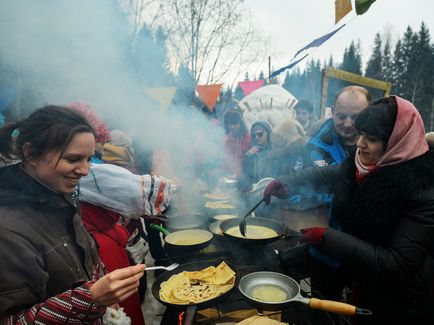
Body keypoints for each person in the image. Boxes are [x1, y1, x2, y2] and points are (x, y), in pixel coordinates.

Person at [264, 96, 434, 324]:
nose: (360, 143)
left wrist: (328, 238)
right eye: (360, 134)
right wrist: (288, 183)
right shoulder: (367, 166)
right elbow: (331, 175)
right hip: (368, 286)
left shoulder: (422, 190)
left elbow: (396, 265)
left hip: (403, 303)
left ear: (397, 142)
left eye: (371, 139)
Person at [0, 105, 145, 323]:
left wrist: (103, 289)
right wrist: (91, 298)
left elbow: (86, 255)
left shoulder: (61, 194)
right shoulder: (7, 230)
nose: (85, 170)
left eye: (89, 158)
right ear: (31, 154)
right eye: (73, 159)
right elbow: (13, 321)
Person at [239, 121, 276, 190]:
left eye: (260, 134)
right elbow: (246, 174)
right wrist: (247, 157)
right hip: (255, 189)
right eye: (254, 135)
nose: (256, 137)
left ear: (268, 133)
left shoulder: (276, 151)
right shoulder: (252, 153)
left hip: (272, 189)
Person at [222, 108, 251, 177]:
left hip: (247, 174)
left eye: (235, 124)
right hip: (231, 175)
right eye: (230, 124)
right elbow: (225, 159)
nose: (232, 127)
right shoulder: (227, 140)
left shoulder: (249, 138)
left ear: (240, 123)